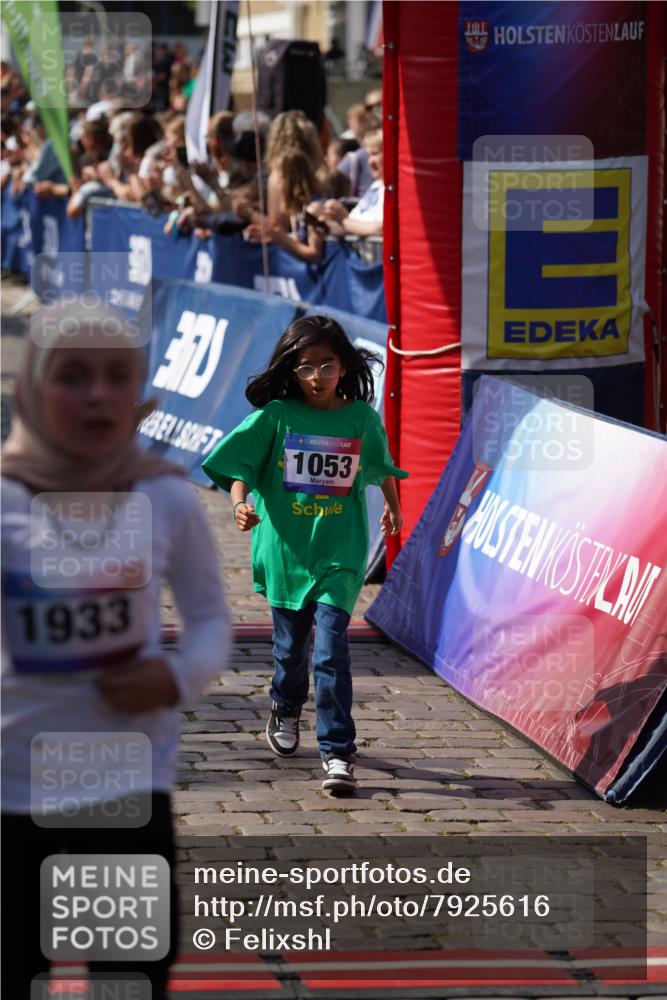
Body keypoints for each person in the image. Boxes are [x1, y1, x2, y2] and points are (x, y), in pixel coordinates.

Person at [1, 299, 231, 997]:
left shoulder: (168, 499)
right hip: (12, 787)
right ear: (33, 387)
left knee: (128, 977)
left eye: (116, 376)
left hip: (126, 786)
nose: (97, 395)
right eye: (72, 376)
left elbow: (210, 620)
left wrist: (176, 678)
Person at [202, 315, 407, 795]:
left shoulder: (361, 419)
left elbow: (380, 467)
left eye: (327, 365)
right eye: (306, 367)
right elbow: (241, 466)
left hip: (340, 552)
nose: (317, 376)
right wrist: (239, 504)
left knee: (332, 653)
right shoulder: (276, 416)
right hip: (287, 552)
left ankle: (338, 751)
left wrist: (393, 508)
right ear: (291, 370)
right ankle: (285, 705)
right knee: (291, 652)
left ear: (344, 366)